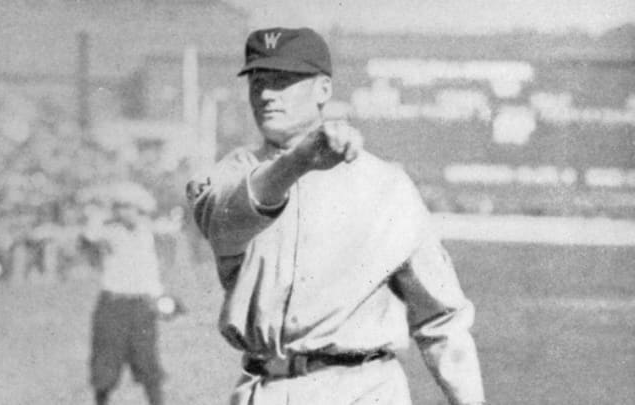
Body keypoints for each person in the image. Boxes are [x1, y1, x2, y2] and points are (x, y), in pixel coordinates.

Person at [186, 27, 485, 405]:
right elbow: (229, 221)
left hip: (364, 386)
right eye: (257, 82)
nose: (265, 95)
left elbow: (441, 319)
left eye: (283, 81)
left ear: (323, 90)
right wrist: (300, 160)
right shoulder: (227, 175)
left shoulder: (385, 185)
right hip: (265, 387)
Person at [82, 182, 183, 405]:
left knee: (148, 364)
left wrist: (159, 299)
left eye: (130, 207)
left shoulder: (149, 233)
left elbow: (156, 266)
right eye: (120, 207)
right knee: (105, 365)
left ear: (140, 209)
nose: (125, 212)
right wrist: (100, 211)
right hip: (113, 304)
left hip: (142, 306)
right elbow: (90, 235)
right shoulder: (109, 232)